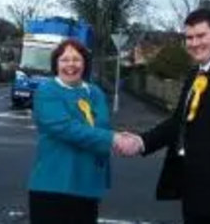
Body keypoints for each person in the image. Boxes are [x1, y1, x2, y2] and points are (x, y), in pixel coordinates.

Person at [118, 8, 210, 224]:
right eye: (189, 38)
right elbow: (178, 123)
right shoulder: (195, 74)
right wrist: (141, 142)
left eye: (201, 36)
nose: (194, 43)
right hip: (194, 191)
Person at [27, 38, 133, 224]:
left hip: (88, 185)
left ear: (85, 64)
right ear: (56, 64)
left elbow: (102, 128)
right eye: (64, 60)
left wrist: (115, 138)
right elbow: (66, 128)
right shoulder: (47, 91)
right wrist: (113, 139)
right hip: (54, 186)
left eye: (76, 59)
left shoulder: (95, 92)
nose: (71, 65)